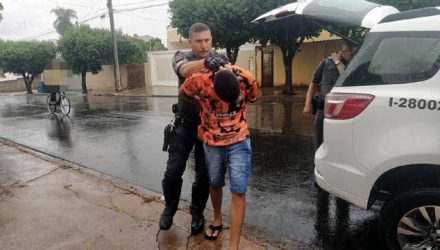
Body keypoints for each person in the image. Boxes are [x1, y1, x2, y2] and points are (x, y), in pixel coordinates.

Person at [159, 23, 230, 235]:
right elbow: (183, 70)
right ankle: (170, 207)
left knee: (204, 175)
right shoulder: (181, 56)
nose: (204, 45)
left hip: (208, 125)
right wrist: (206, 63)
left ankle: (197, 212)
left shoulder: (221, 58)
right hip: (184, 123)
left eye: (207, 40)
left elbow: (231, 82)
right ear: (190, 41)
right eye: (199, 41)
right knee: (173, 170)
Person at [180, 66, 258, 250]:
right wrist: (198, 107)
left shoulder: (246, 78)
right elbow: (183, 93)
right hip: (212, 142)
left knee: (239, 191)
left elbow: (254, 97)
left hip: (239, 140)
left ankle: (233, 246)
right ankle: (217, 218)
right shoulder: (199, 79)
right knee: (214, 183)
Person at [303, 43, 357, 151]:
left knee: (338, 141)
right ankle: (318, 162)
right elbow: (313, 84)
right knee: (319, 139)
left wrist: (338, 62)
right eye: (352, 54)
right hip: (323, 109)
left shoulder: (352, 66)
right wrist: (307, 104)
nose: (354, 57)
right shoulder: (325, 63)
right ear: (344, 52)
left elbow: (347, 80)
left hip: (342, 110)